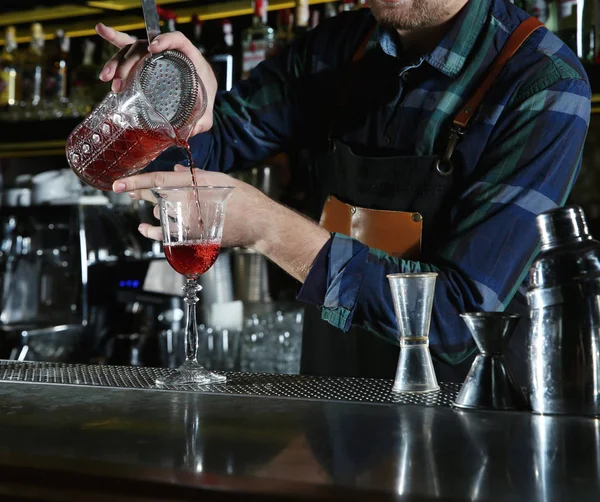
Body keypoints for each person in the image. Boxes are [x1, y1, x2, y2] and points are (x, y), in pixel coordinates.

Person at [96, 0, 591, 382]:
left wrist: (271, 231)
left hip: (464, 419)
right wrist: (168, 96)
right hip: (331, 400)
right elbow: (191, 151)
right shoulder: (338, 48)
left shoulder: (541, 83)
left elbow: (461, 320)